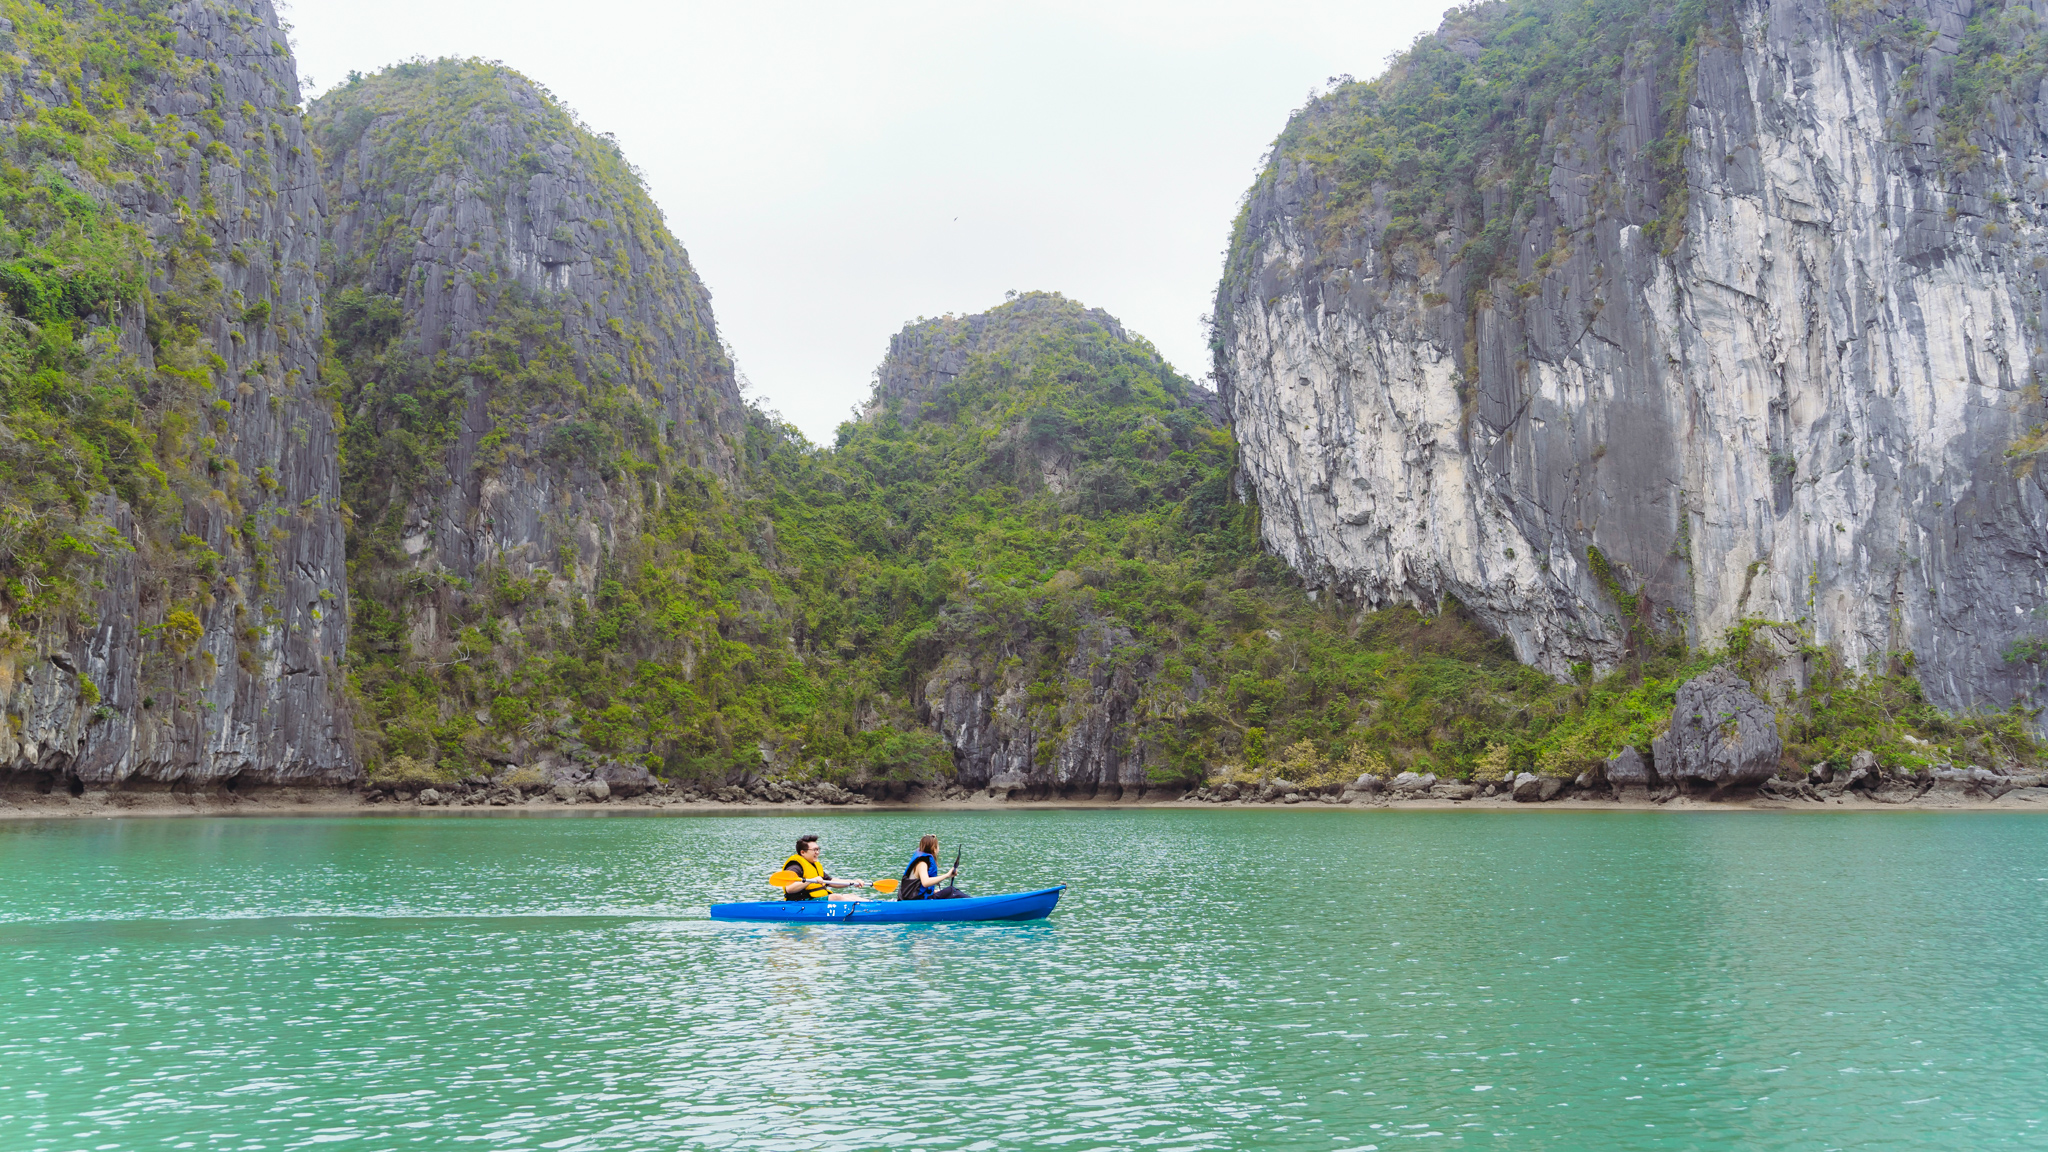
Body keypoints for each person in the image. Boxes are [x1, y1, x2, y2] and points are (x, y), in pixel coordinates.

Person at [781, 834, 867, 901]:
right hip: (802, 902)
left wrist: (853, 882)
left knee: (850, 896)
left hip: (817, 900)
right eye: (814, 850)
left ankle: (873, 905)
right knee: (835, 897)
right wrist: (811, 880)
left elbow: (831, 881)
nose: (817, 852)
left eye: (818, 849)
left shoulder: (814, 865)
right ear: (803, 852)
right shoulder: (795, 867)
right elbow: (789, 888)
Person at [898, 834, 966, 900]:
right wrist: (947, 875)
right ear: (934, 848)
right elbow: (925, 883)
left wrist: (934, 892)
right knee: (951, 890)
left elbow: (920, 888)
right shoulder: (922, 864)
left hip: (919, 898)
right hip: (917, 901)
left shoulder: (922, 861)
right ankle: (973, 903)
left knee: (947, 892)